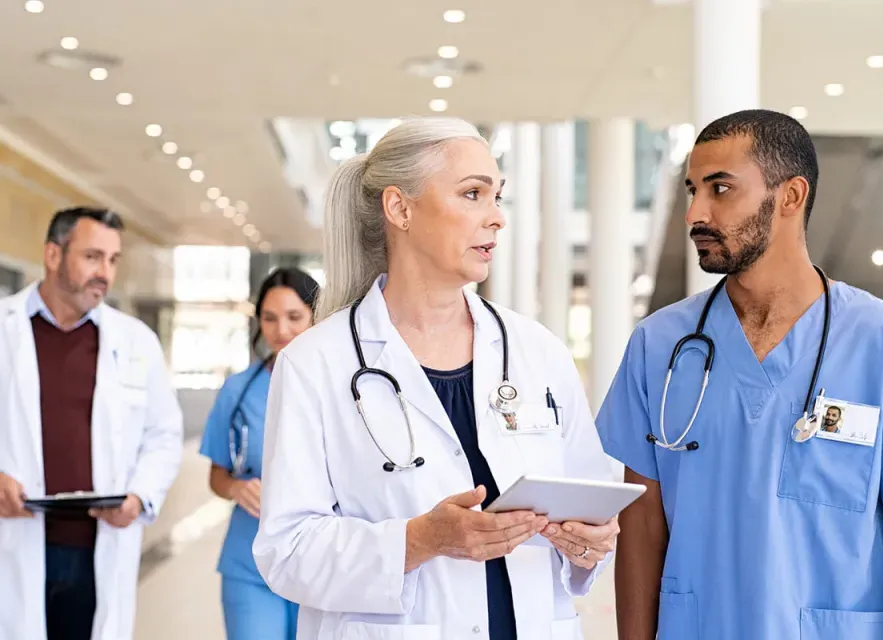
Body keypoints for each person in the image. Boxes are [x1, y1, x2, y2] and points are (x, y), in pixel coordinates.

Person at [596, 109, 883, 640]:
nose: (695, 212)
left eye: (721, 189)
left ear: (790, 196)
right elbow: (643, 525)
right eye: (692, 189)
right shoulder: (659, 346)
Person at [252, 117, 618, 639]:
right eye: (473, 194)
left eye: (497, 197)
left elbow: (592, 501)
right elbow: (285, 552)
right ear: (400, 208)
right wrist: (421, 539)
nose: (496, 218)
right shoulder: (316, 362)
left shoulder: (537, 351)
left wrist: (591, 541)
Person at [0, 207, 184, 640]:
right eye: (92, 257)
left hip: (97, 544)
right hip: (15, 536)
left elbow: (163, 433)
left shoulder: (135, 340)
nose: (105, 272)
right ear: (52, 254)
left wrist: (139, 497)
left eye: (114, 260)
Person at [199, 267, 319, 640]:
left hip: (319, 561)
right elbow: (217, 475)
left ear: (317, 315)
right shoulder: (238, 389)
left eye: (294, 317)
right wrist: (236, 488)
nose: (281, 330)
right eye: (269, 318)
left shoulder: (342, 387)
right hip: (249, 563)